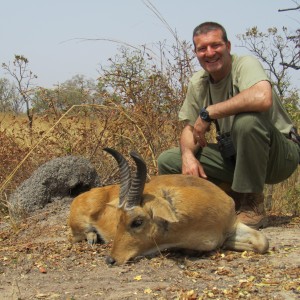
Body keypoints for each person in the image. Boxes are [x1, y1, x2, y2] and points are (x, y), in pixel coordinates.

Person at [157, 21, 300, 229]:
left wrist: (210, 112)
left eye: (216, 45)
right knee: (169, 161)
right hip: (237, 158)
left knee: (247, 121)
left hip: (279, 156)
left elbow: (262, 97)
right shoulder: (198, 82)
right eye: (202, 48)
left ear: (228, 46)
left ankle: (253, 205)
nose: (210, 52)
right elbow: (190, 129)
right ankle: (220, 204)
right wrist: (188, 156)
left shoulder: (245, 64)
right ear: (196, 53)